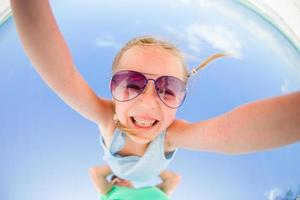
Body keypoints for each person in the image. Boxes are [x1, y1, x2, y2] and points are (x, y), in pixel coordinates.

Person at [11, 0, 300, 181]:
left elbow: (228, 133)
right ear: (113, 91)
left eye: (168, 88)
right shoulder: (106, 117)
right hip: (117, 167)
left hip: (149, 170)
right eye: (132, 83)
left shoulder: (172, 135)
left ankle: (156, 180)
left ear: (180, 100)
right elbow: (63, 76)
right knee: (109, 175)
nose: (149, 100)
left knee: (158, 178)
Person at [89, 165, 180, 200]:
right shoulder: (109, 191)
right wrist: (122, 164)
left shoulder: (153, 189)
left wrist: (147, 163)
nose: (121, 181)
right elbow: (95, 172)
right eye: (116, 181)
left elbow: (173, 178)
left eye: (124, 178)